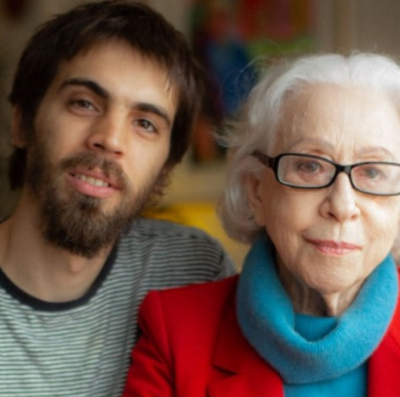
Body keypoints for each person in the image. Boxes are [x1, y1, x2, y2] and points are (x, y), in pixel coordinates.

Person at [123, 52, 400, 397]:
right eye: (310, 167)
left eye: (373, 172)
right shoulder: (174, 332)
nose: (342, 206)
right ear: (256, 192)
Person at [0, 1, 235, 396]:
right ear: (23, 122)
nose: (110, 138)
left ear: (165, 168)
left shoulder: (194, 272)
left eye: (145, 123)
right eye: (84, 103)